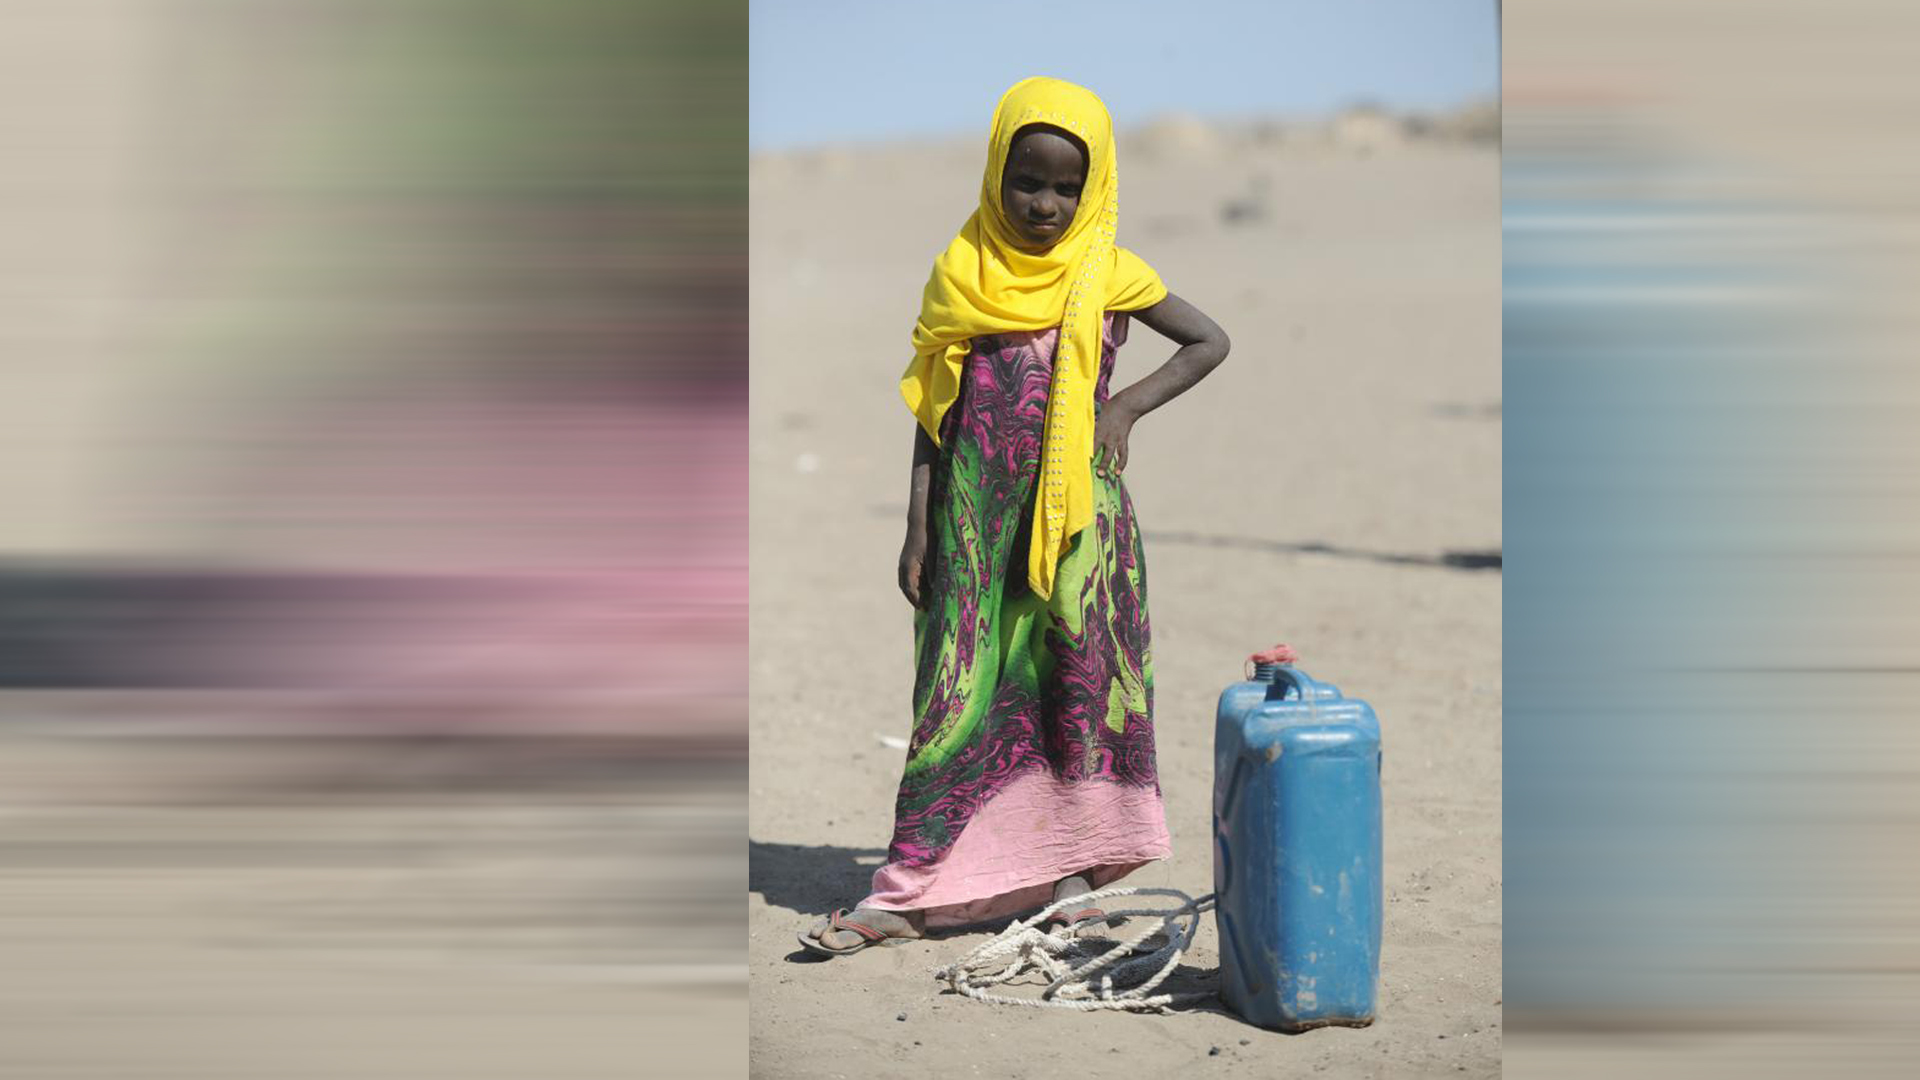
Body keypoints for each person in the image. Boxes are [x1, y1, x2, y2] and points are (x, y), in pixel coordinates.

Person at [802, 76, 1229, 956]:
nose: (1044, 203)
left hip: (1080, 531)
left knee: (1068, 686)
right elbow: (934, 414)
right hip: (971, 523)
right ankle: (908, 886)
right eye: (1025, 182)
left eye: (1066, 187)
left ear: (1095, 187)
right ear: (994, 173)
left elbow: (1208, 340)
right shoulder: (963, 272)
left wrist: (1124, 410)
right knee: (955, 694)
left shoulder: (1107, 270)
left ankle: (1070, 880)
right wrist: (918, 526)